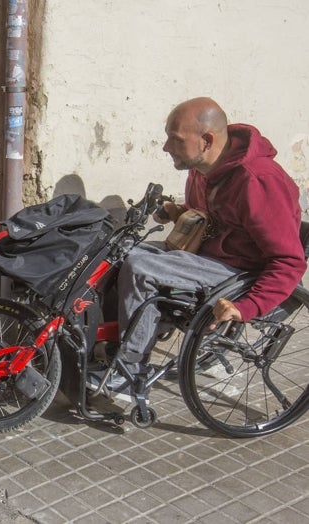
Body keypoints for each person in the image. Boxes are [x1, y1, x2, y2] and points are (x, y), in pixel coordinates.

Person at [92, 97, 307, 393]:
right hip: (205, 256)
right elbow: (212, 214)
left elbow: (289, 261)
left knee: (141, 268)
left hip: (239, 270)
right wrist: (177, 212)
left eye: (175, 140)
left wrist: (246, 307)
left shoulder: (258, 181)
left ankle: (130, 375)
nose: (166, 147)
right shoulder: (202, 167)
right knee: (121, 252)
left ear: (206, 140)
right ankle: (117, 344)